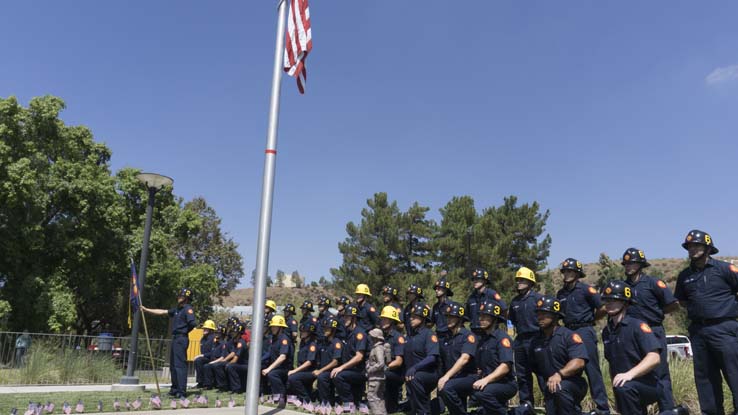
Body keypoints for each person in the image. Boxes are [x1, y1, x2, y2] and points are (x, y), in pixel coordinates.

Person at [675, 229, 738, 414]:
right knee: (705, 380)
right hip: (699, 332)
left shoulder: (725, 269)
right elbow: (682, 301)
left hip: (725, 329)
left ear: (708, 247)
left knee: (735, 374)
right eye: (689, 246)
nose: (692, 249)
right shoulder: (684, 276)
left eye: (697, 245)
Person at [621, 247, 680, 413]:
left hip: (653, 332)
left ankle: (667, 411)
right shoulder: (622, 286)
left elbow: (673, 304)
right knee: (636, 374)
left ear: (641, 264)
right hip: (632, 336)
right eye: (626, 263)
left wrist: (657, 314)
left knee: (660, 374)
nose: (629, 266)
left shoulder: (653, 283)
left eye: (632, 262)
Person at [556, 258, 610, 415]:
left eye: (570, 271)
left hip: (584, 331)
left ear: (577, 273)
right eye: (565, 271)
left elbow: (603, 307)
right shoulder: (560, 293)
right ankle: (573, 408)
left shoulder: (587, 290)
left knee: (592, 370)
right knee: (571, 371)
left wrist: (593, 320)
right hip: (568, 333)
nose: (567, 274)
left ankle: (602, 408)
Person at [600, 280, 662, 414]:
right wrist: (617, 395)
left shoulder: (637, 326)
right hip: (625, 386)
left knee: (625, 388)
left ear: (624, 302)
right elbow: (613, 366)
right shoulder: (607, 332)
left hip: (648, 384)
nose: (609, 303)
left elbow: (654, 357)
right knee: (624, 390)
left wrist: (629, 375)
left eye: (614, 299)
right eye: (606, 300)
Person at [530, 295, 588, 415]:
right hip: (550, 385)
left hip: (573, 383)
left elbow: (579, 361)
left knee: (560, 388)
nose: (540, 317)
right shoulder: (536, 340)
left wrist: (559, 374)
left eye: (544, 314)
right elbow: (534, 366)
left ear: (556, 315)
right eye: (538, 313)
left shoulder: (569, 336)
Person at [140, 287, 197, 398]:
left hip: (181, 339)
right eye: (179, 295)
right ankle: (174, 390)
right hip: (175, 338)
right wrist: (146, 309)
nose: (178, 297)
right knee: (173, 366)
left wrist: (184, 331)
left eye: (181, 296)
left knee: (180, 366)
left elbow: (193, 323)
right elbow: (162, 312)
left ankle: (181, 391)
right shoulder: (177, 310)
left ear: (186, 298)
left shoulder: (187, 309)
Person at [472, 300, 517, 415]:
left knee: (482, 393)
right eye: (480, 315)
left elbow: (505, 366)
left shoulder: (502, 338)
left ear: (494, 318)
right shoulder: (483, 340)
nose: (481, 319)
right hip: (491, 382)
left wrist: (485, 380)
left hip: (506, 383)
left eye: (485, 316)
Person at [508, 266, 543, 407]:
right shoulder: (515, 301)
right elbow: (511, 321)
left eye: (523, 280)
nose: (519, 282)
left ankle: (551, 401)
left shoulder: (538, 299)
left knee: (542, 373)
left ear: (530, 282)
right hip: (520, 340)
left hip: (537, 339)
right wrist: (511, 337)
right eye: (518, 280)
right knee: (522, 375)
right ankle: (526, 404)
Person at [437, 301, 478, 415]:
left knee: (447, 387)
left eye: (452, 317)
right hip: (454, 377)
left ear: (460, 319)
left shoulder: (468, 336)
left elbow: (464, 359)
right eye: (447, 317)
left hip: (469, 376)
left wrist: (446, 377)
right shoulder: (447, 338)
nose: (448, 319)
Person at [331, 304, 371, 413]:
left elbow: (359, 357)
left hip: (360, 371)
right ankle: (354, 402)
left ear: (354, 318)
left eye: (348, 317)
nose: (345, 319)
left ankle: (349, 403)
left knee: (338, 376)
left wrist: (341, 368)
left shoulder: (359, 333)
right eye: (344, 317)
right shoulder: (349, 333)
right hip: (351, 370)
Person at [403, 302, 440, 415]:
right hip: (412, 373)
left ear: (423, 318)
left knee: (415, 378)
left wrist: (415, 368)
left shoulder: (429, 334)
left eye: (415, 317)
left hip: (428, 373)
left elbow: (432, 357)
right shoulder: (410, 336)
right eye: (411, 316)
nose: (411, 319)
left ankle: (424, 412)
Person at [261, 315, 294, 408]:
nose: (272, 328)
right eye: (272, 326)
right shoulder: (274, 338)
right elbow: (269, 352)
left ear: (280, 327)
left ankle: (281, 397)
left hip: (285, 368)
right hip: (277, 366)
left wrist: (269, 369)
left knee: (272, 374)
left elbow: (283, 357)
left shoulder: (284, 339)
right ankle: (267, 393)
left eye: (274, 326)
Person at [287, 319, 320, 409]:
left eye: (304, 331)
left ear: (310, 332)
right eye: (301, 331)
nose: (302, 333)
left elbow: (309, 362)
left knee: (293, 378)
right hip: (304, 371)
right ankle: (302, 399)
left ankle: (306, 400)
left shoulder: (312, 344)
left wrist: (295, 371)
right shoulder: (303, 343)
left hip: (311, 371)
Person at [314, 316, 344, 414]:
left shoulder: (336, 343)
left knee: (322, 377)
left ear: (333, 330)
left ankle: (326, 404)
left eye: (327, 328)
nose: (325, 330)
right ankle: (325, 402)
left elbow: (335, 362)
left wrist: (321, 370)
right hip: (325, 370)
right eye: (324, 328)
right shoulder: (325, 342)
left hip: (334, 371)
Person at [379, 305, 406, 413]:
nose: (382, 321)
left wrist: (384, 368)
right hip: (387, 371)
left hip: (396, 373)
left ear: (391, 321)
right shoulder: (383, 336)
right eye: (382, 319)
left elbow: (399, 361)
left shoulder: (397, 337)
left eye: (384, 319)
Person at [466, 267, 507, 335]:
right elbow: (468, 315)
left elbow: (504, 309)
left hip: (489, 332)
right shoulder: (471, 297)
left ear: (485, 281)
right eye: (474, 279)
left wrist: (500, 323)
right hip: (474, 333)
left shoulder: (492, 294)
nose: (475, 281)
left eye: (478, 279)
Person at [366, 328, 389, 415]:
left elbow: (381, 363)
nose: (370, 338)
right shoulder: (377, 347)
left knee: (371, 397)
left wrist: (370, 369)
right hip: (377, 376)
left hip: (376, 376)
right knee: (379, 396)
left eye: (372, 336)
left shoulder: (378, 348)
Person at [225, 322, 249, 393]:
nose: (232, 333)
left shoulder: (241, 343)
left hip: (245, 365)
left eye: (234, 332)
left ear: (239, 333)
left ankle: (237, 389)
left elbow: (235, 359)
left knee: (231, 367)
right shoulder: (236, 342)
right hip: (240, 364)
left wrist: (228, 364)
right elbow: (233, 353)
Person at [202, 325, 228, 390]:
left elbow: (222, 357)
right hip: (213, 361)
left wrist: (213, 362)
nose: (216, 334)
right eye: (215, 332)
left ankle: (221, 385)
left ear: (222, 334)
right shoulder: (215, 343)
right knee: (206, 365)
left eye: (218, 333)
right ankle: (208, 385)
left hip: (219, 361)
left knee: (211, 366)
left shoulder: (224, 344)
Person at [194, 320, 218, 388]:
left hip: (212, 358)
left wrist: (203, 355)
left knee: (199, 360)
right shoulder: (203, 339)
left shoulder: (214, 338)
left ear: (211, 330)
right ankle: (200, 382)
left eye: (206, 328)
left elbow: (214, 352)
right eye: (204, 328)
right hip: (205, 358)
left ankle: (203, 382)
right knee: (198, 360)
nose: (204, 330)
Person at [431, 275, 454, 341]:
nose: (436, 290)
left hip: (449, 336)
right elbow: (432, 323)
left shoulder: (451, 305)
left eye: (439, 288)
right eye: (436, 289)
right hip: (438, 336)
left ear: (445, 290)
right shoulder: (435, 306)